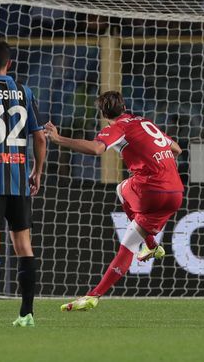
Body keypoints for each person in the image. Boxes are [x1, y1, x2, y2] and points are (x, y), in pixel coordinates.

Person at [44, 91, 184, 311]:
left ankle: (148, 246)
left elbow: (97, 149)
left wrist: (59, 139)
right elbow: (176, 149)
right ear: (124, 105)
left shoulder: (118, 127)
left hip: (151, 190)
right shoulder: (144, 122)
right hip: (176, 192)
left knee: (121, 188)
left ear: (103, 113)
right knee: (129, 243)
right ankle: (95, 294)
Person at [0, 41, 46, 327]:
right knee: (24, 247)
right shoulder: (25, 92)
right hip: (18, 181)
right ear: (10, 64)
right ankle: (26, 314)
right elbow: (40, 138)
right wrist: (37, 172)